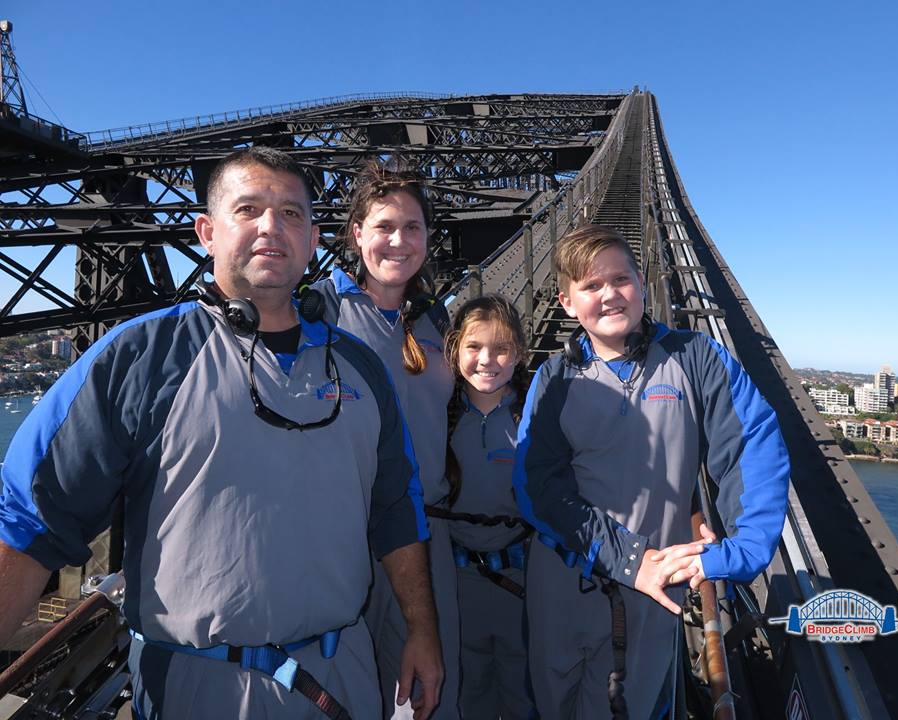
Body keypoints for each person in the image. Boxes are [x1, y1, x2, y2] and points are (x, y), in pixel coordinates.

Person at [0, 147, 443, 720]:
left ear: (313, 240)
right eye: (248, 208)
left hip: (344, 672)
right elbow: (30, 520)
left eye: (291, 214)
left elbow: (395, 511)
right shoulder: (139, 356)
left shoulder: (361, 367)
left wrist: (422, 631)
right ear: (207, 232)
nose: (270, 227)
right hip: (199, 684)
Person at [513, 225, 790, 719]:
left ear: (641, 284)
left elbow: (750, 445)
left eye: (620, 279)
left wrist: (743, 548)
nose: (609, 295)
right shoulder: (553, 378)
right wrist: (627, 559)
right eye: (591, 286)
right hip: (564, 583)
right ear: (566, 302)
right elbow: (537, 487)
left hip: (656, 589)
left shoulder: (696, 357)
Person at [311, 160, 459, 719]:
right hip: (343, 535)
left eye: (413, 227)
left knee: (430, 693)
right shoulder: (319, 312)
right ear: (356, 235)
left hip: (427, 535)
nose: (398, 241)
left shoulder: (436, 321)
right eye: (383, 227)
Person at [442, 295, 535, 720]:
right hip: (458, 579)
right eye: (474, 347)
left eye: (501, 349)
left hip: (523, 577)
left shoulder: (534, 414)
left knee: (523, 687)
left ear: (518, 354)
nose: (487, 360)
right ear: (455, 349)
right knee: (469, 683)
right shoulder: (439, 413)